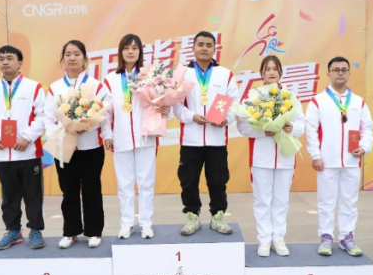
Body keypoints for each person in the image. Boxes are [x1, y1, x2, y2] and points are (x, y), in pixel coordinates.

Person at [0, 45, 46, 250]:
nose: (5, 62)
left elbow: (43, 115)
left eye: (9, 58)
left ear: (19, 62)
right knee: (9, 195)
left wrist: (27, 137)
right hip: (1, 154)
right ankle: (13, 230)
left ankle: (35, 230)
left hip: (28, 152)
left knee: (33, 194)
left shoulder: (33, 87)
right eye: (1, 59)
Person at [101, 34, 169, 239]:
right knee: (125, 184)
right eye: (126, 48)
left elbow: (163, 103)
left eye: (134, 48)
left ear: (140, 52)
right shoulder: (110, 79)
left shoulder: (151, 77)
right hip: (120, 138)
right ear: (120, 52)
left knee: (146, 183)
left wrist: (167, 110)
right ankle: (127, 224)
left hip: (146, 137)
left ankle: (146, 224)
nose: (130, 52)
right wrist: (107, 134)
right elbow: (105, 111)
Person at [237, 56, 305, 257]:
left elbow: (302, 123)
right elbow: (242, 126)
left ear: (281, 72)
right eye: (268, 69)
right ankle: (264, 239)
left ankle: (279, 238)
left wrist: (292, 127)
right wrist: (262, 131)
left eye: (275, 69)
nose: (272, 72)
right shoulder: (253, 97)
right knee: (262, 200)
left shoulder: (290, 97)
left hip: (285, 157)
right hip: (261, 157)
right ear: (262, 73)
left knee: (281, 200)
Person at [305, 56, 373, 256]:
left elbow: (367, 128)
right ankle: (326, 237)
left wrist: (364, 147)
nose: (340, 73)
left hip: (352, 160)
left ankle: (347, 237)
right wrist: (315, 155)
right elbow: (310, 130)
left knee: (349, 201)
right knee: (326, 201)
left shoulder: (359, 102)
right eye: (336, 70)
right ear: (328, 73)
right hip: (326, 161)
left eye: (344, 70)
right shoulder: (318, 101)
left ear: (349, 73)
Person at [172, 31, 239, 236]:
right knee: (188, 181)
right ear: (193, 48)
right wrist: (192, 116)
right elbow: (176, 104)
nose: (204, 48)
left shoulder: (225, 74)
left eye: (209, 45)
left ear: (214, 49)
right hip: (190, 140)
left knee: (218, 181)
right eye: (200, 44)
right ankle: (192, 216)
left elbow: (234, 102)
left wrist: (226, 119)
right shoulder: (182, 74)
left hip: (216, 140)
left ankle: (218, 217)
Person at [45, 40, 107, 249]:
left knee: (92, 189)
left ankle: (94, 231)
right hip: (64, 146)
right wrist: (66, 128)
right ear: (63, 59)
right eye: (68, 54)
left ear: (85, 58)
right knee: (69, 190)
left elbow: (105, 113)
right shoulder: (55, 87)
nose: (72, 58)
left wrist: (87, 125)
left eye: (77, 54)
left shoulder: (96, 85)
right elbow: (48, 117)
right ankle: (70, 232)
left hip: (91, 147)